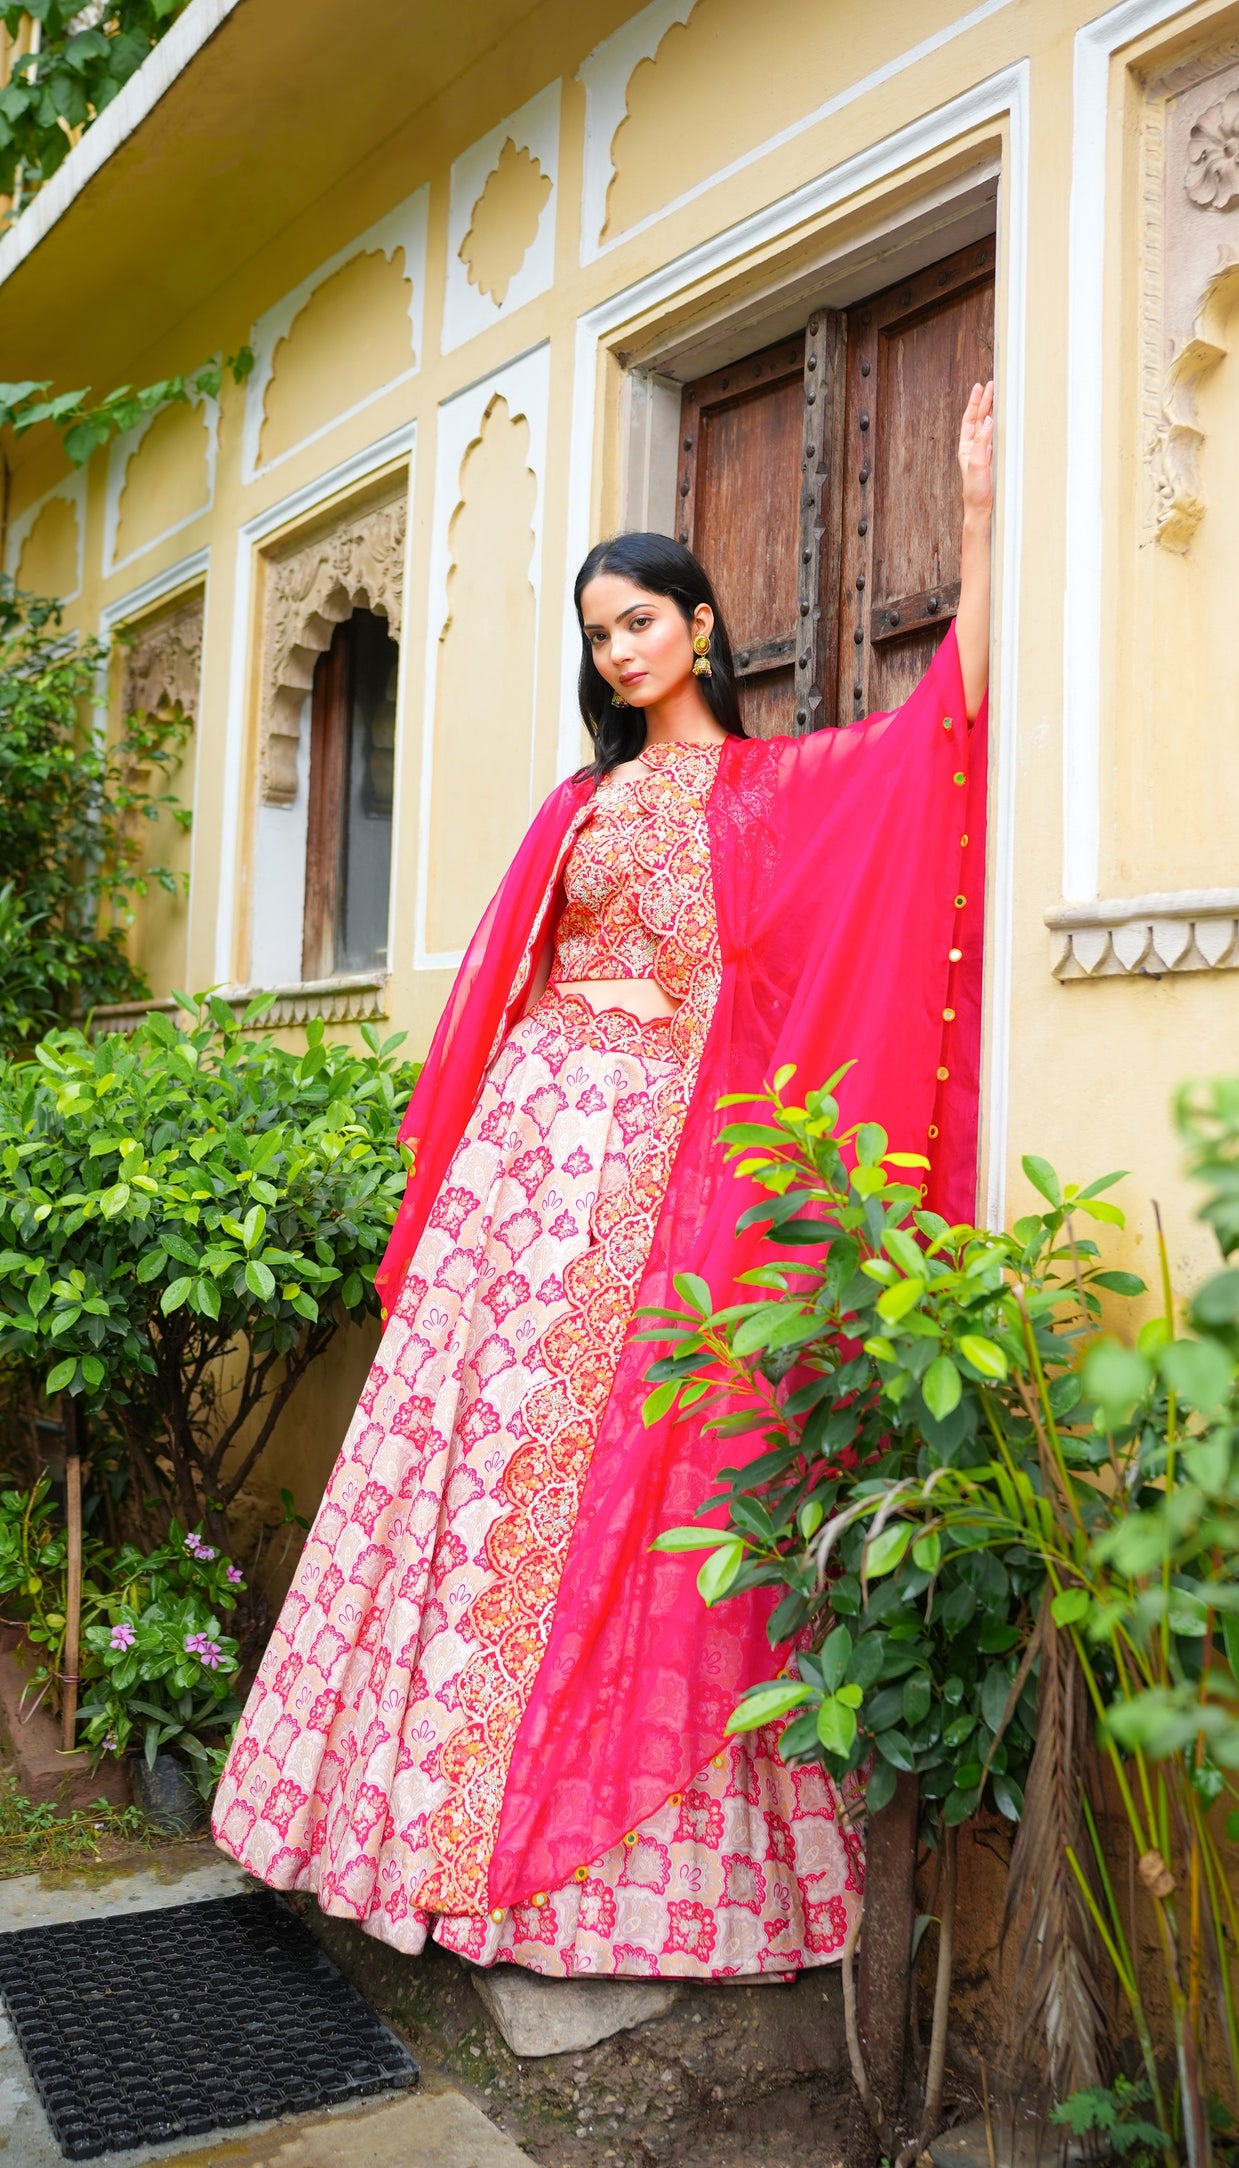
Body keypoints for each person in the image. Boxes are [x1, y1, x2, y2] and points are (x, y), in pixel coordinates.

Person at [212, 382, 996, 1978]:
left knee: (639, 1466)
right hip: (522, 1179)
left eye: (642, 620)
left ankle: (586, 1864)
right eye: (601, 634)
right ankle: (393, 1823)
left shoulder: (769, 793)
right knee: (465, 1465)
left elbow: (934, 740)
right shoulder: (577, 803)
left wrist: (977, 515)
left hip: (658, 1171)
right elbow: (505, 988)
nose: (621, 649)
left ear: (702, 627)